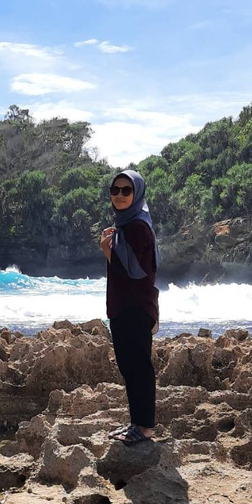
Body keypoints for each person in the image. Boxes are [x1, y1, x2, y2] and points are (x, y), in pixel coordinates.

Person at [100, 169, 160, 446]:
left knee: (138, 367)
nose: (120, 195)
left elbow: (133, 272)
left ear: (137, 193)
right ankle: (137, 423)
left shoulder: (136, 227)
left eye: (127, 190)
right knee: (130, 366)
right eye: (115, 190)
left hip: (134, 307)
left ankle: (145, 427)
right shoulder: (127, 225)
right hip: (127, 307)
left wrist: (107, 250)